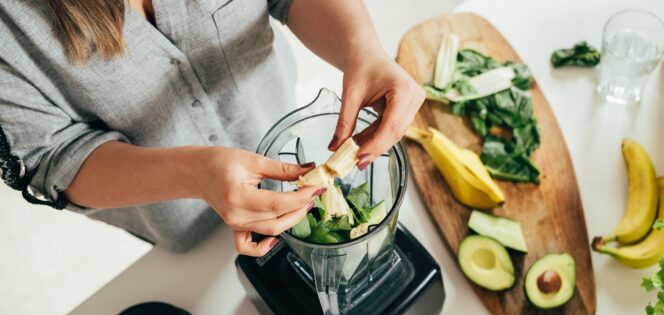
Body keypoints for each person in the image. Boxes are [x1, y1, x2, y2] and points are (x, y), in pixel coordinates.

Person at [0, 0, 424, 256]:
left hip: (271, 119)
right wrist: (197, 174)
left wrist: (362, 47)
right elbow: (52, 157)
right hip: (176, 218)